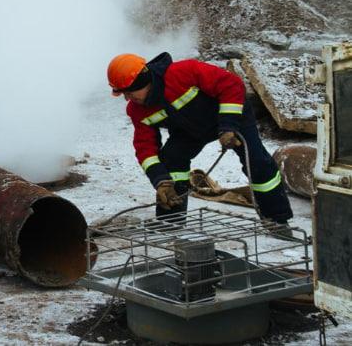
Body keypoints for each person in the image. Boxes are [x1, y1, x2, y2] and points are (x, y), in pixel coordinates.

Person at [107, 52, 293, 229]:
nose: (127, 98)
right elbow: (145, 148)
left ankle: (276, 219)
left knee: (257, 161)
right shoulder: (137, 110)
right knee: (171, 159)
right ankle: (171, 221)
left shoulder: (183, 72)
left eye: (129, 92)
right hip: (190, 131)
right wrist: (160, 180)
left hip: (232, 116)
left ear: (143, 82)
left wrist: (228, 126)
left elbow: (231, 84)